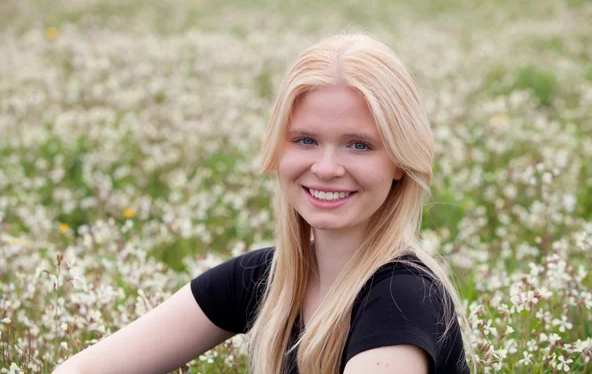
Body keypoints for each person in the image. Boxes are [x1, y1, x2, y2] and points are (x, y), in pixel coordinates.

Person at [53, 33, 473, 374]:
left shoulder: (404, 298)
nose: (326, 168)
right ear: (277, 151)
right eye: (305, 140)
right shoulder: (265, 278)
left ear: (400, 162)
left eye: (359, 145)